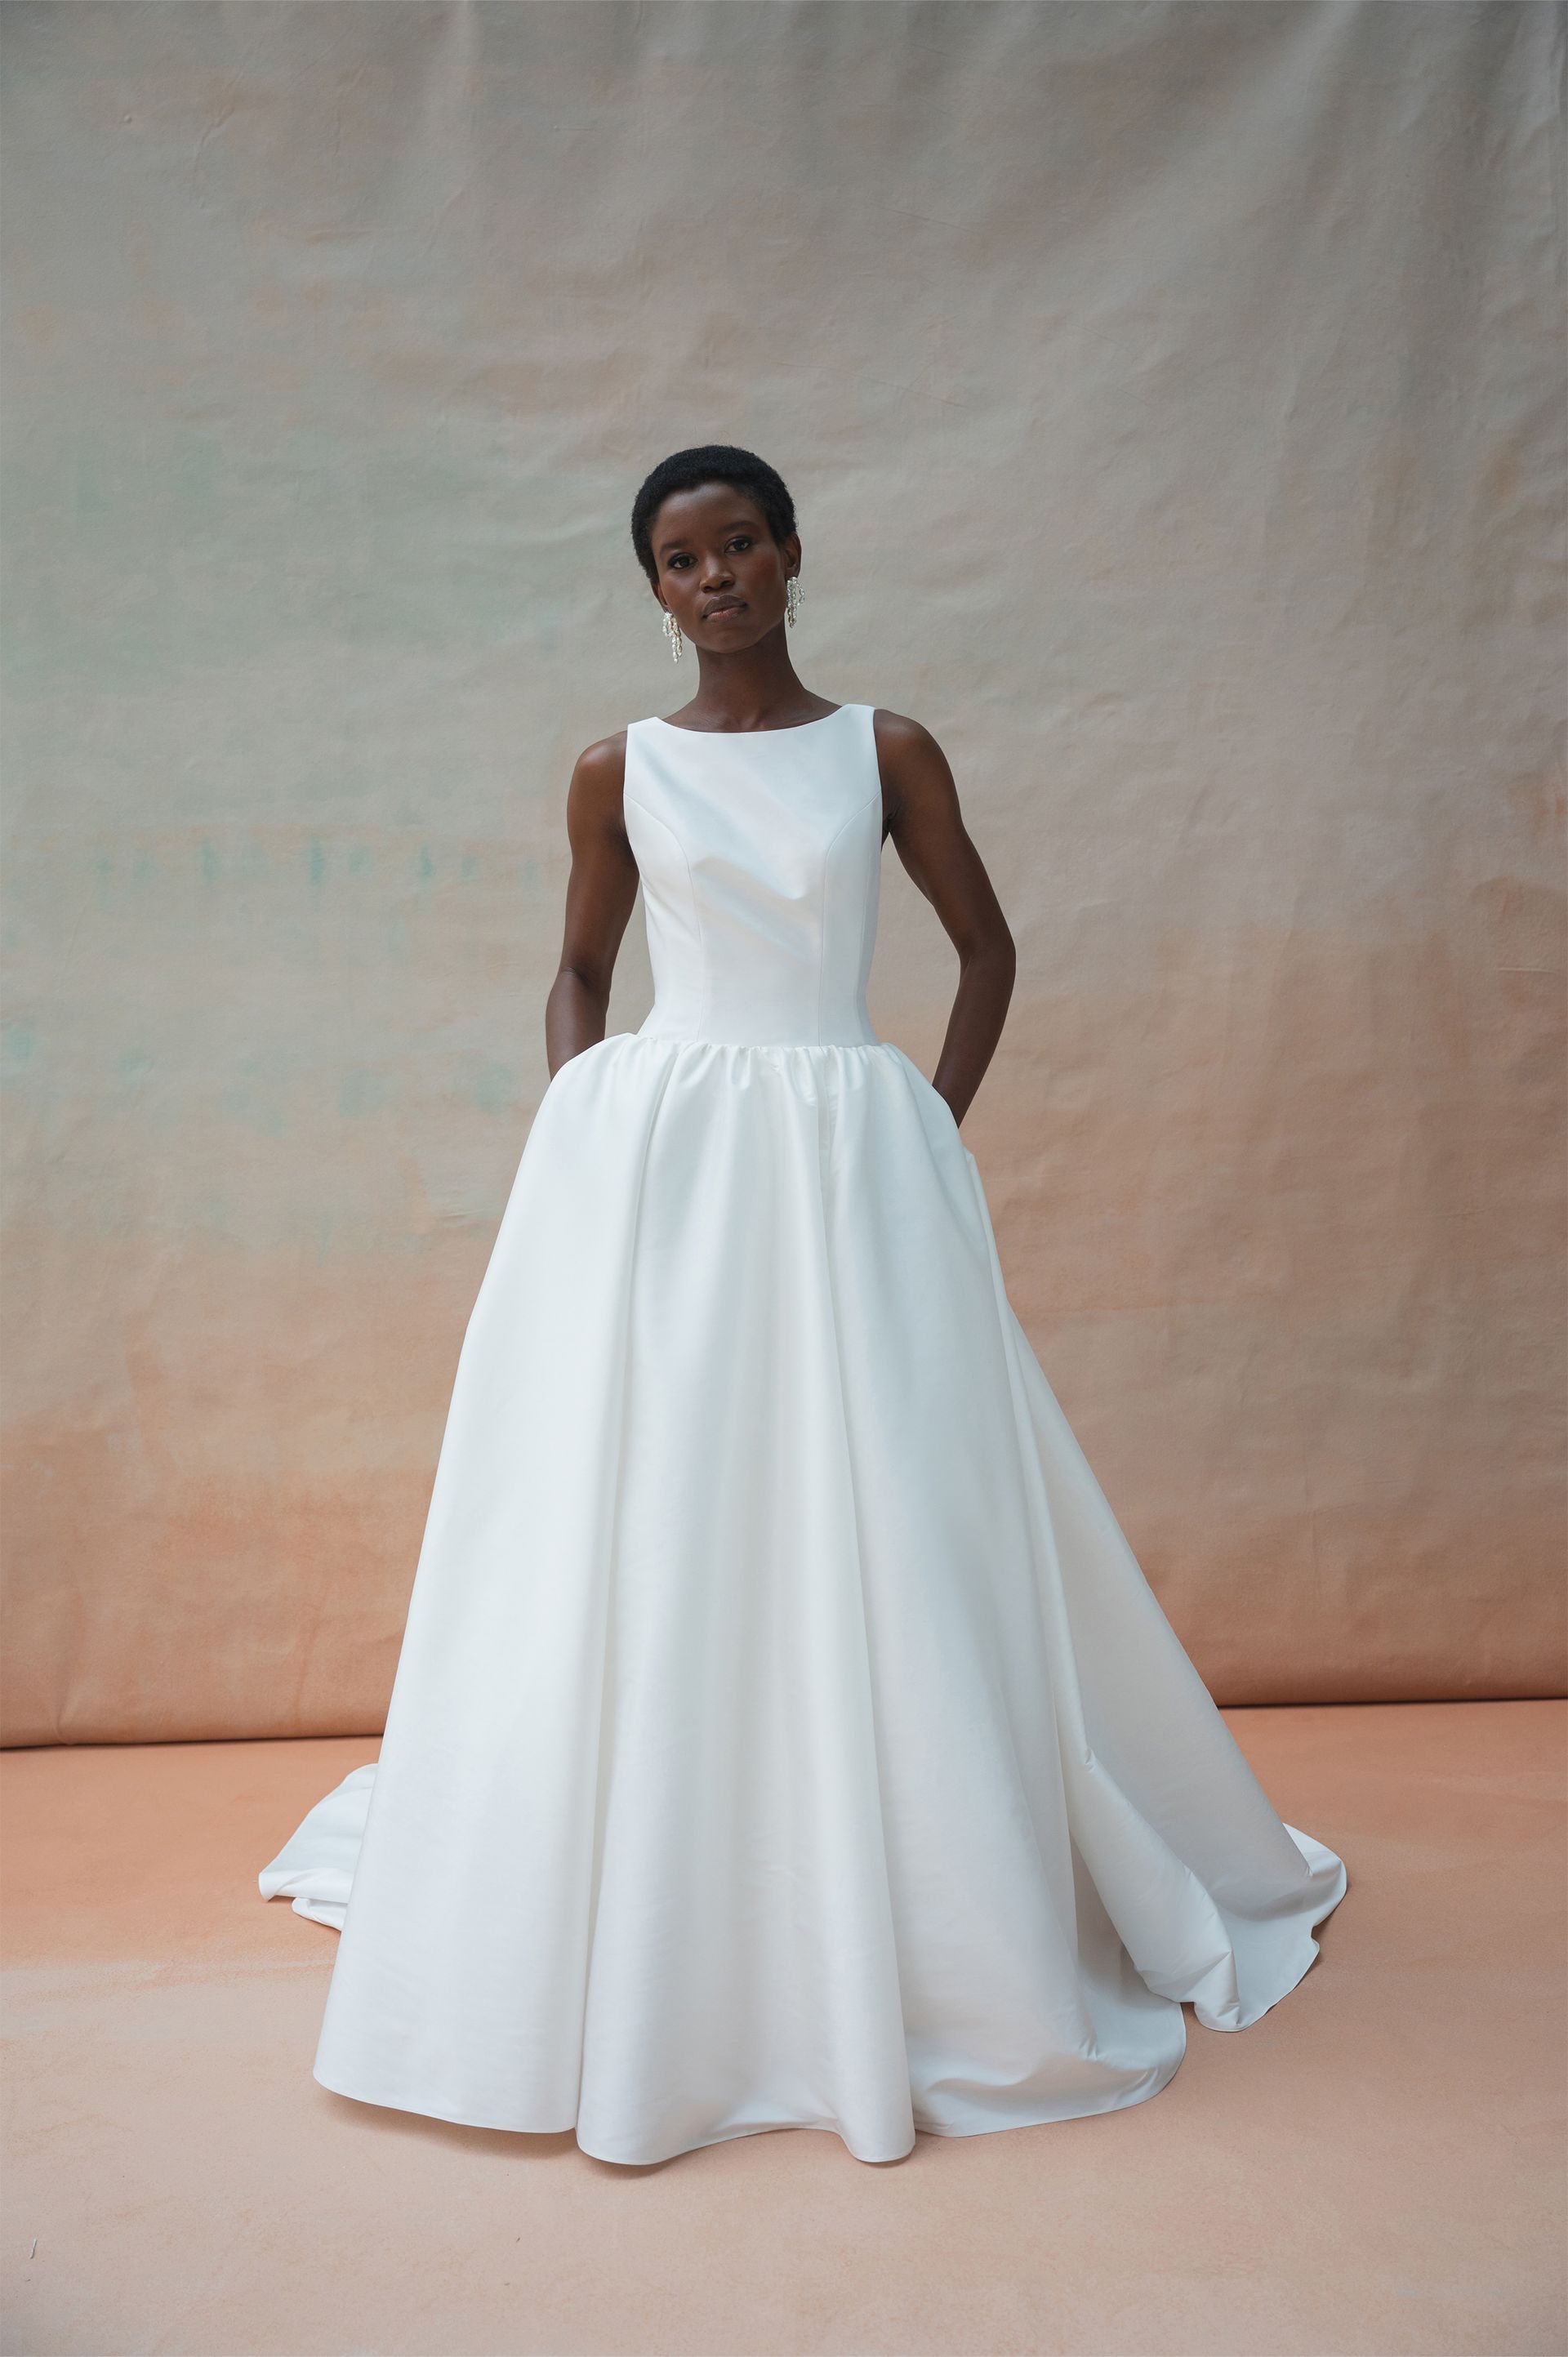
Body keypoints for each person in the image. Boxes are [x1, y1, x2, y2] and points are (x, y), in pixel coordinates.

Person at [261, 443, 1347, 2168]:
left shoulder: (885, 751)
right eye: (683, 560)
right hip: (667, 1163)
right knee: (669, 1496)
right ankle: (676, 1874)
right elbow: (578, 967)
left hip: (845, 1151)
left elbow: (986, 949)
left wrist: (918, 1116)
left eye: (743, 544)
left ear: (789, 556)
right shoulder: (617, 770)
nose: (717, 579)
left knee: (892, 1502)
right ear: (655, 590)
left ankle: (911, 1879)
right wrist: (582, 1114)